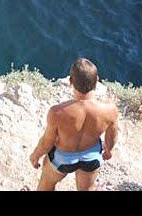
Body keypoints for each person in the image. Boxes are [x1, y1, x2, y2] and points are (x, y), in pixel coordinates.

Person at [29, 58, 119, 191]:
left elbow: (47, 142)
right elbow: (112, 135)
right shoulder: (110, 110)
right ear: (97, 80)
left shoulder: (57, 112)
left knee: (46, 185)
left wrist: (35, 156)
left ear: (70, 82)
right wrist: (108, 150)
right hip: (91, 157)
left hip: (62, 158)